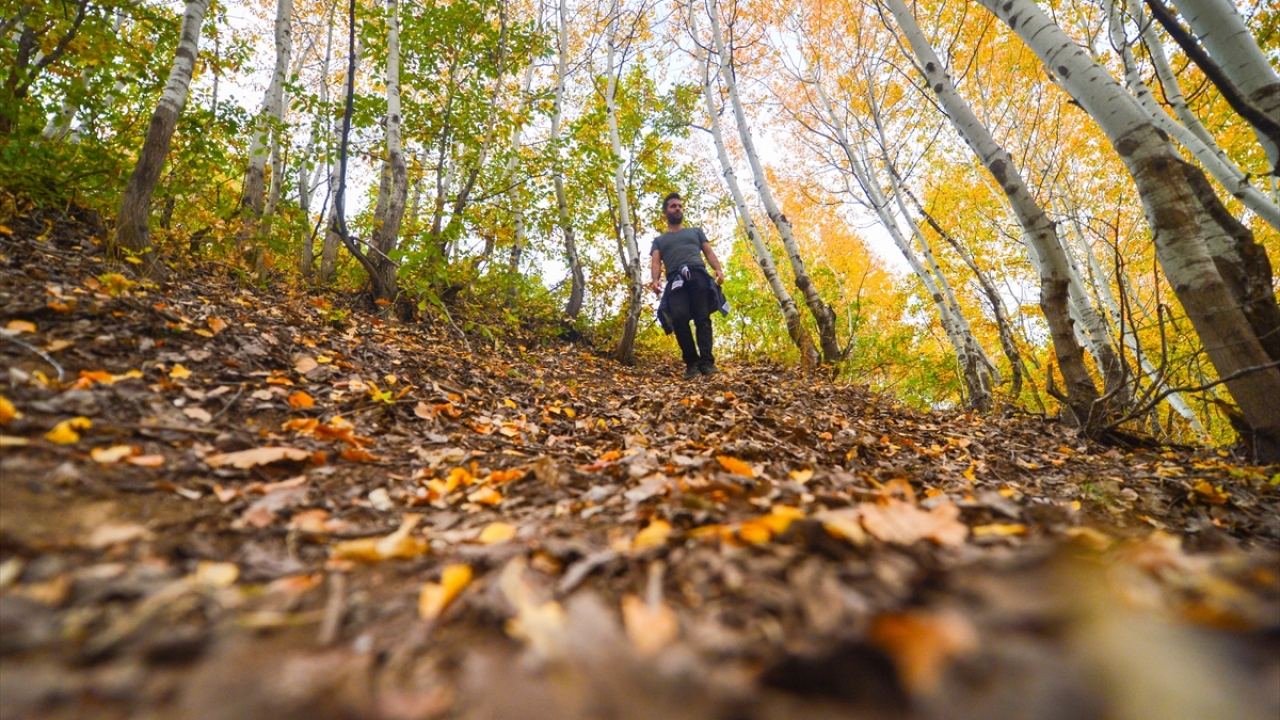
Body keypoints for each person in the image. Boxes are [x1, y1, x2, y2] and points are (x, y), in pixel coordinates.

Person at [650, 193, 728, 379]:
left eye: (679, 206)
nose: (677, 209)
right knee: (678, 317)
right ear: (665, 212)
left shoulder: (695, 231)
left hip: (698, 275)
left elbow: (709, 252)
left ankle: (707, 363)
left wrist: (717, 269)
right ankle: (692, 364)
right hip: (675, 280)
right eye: (673, 206)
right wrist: (655, 280)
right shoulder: (659, 241)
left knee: (702, 317)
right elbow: (655, 262)